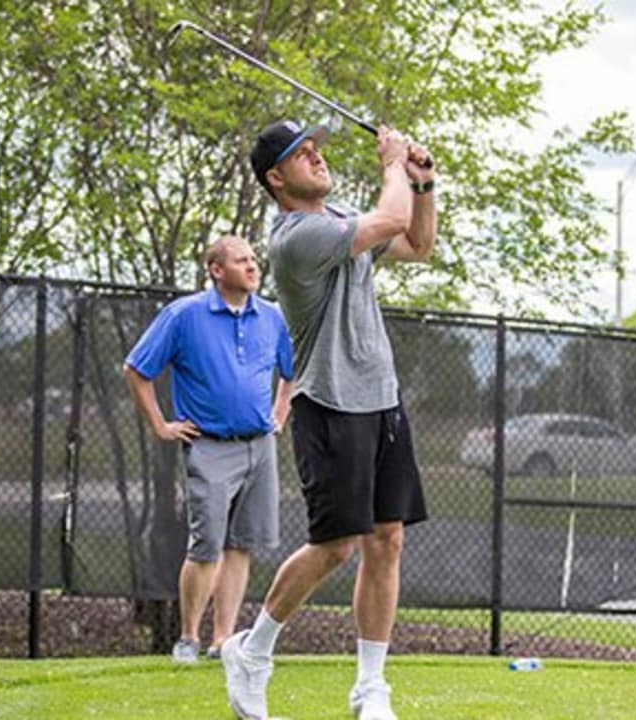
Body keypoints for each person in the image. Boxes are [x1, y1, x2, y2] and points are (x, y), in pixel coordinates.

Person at [219, 119, 435, 720]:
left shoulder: (338, 220)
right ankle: (253, 648)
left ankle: (371, 689)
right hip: (329, 401)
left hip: (381, 398)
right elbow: (388, 222)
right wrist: (392, 162)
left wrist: (422, 184)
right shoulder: (295, 238)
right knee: (336, 546)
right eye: (301, 154)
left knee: (386, 541)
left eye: (315, 149)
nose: (315, 157)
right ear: (276, 179)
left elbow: (417, 243)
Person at [123, 235, 295, 664]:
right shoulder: (183, 315)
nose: (254, 267)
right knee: (207, 546)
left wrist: (280, 412)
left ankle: (223, 641)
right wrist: (161, 425)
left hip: (260, 447)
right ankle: (187, 640)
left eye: (254, 259)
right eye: (242, 261)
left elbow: (291, 371)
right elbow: (136, 369)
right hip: (210, 448)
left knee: (241, 546)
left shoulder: (272, 316)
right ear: (217, 271)